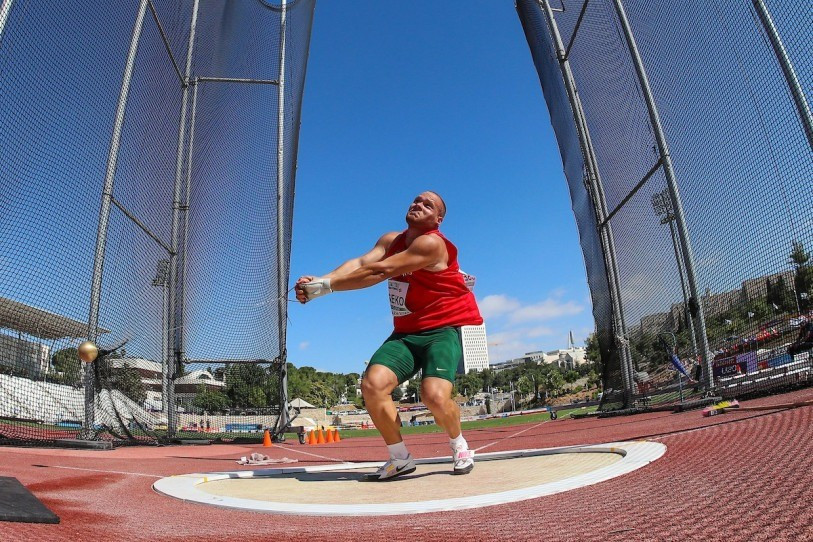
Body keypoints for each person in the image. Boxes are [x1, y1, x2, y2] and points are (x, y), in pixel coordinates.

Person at [295, 191, 483, 480]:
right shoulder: (390, 240)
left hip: (440, 331)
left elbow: (380, 271)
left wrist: (325, 288)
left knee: (433, 396)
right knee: (372, 384)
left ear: (438, 219)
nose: (419, 204)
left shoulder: (433, 244)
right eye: (416, 200)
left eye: (428, 205)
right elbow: (360, 263)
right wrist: (320, 280)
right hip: (406, 335)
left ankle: (459, 444)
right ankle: (400, 458)